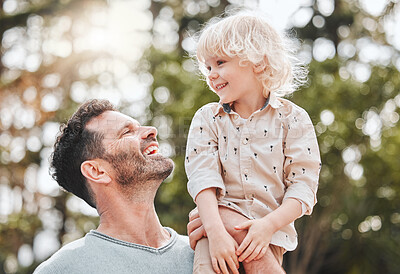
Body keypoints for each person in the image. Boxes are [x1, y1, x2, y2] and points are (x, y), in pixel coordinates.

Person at [185, 10, 321, 274]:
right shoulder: (207, 118)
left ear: (257, 61)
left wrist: (268, 225)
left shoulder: (294, 119)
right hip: (214, 234)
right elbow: (202, 177)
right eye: (208, 67)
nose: (211, 74)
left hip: (266, 239)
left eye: (220, 62)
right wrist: (215, 233)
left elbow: (303, 186)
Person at [34, 99, 194, 273]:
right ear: (97, 171)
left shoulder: (204, 252)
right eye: (126, 132)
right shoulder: (62, 270)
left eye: (139, 126)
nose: (151, 130)